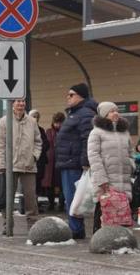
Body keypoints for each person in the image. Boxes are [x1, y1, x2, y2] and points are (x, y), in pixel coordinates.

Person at [55, 83, 97, 239]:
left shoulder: (84, 114)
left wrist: (85, 162)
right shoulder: (76, 113)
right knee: (72, 198)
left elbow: (88, 138)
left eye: (71, 94)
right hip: (69, 161)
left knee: (75, 198)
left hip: (75, 163)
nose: (68, 97)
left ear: (81, 96)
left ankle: (76, 229)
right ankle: (76, 228)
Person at [0, 99, 42, 233]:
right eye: (18, 101)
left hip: (29, 166)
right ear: (12, 104)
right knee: (8, 198)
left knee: (31, 198)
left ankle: (32, 227)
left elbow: (38, 141)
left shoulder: (32, 121)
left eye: (23, 101)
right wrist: (1, 165)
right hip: (10, 166)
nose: (21, 104)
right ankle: (7, 225)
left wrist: (34, 156)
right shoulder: (4, 121)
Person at [88, 101, 135, 233]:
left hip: (123, 178)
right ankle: (99, 238)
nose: (116, 113)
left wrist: (131, 165)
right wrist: (101, 179)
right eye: (112, 111)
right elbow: (93, 157)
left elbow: (130, 152)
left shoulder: (124, 132)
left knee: (122, 209)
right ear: (104, 115)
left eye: (116, 110)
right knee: (103, 207)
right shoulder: (96, 133)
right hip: (106, 179)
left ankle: (121, 237)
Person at [42, 112, 65, 211]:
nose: (58, 125)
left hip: (61, 160)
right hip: (50, 162)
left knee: (62, 184)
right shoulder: (49, 131)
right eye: (56, 122)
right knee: (49, 184)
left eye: (60, 123)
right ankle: (51, 203)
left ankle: (61, 204)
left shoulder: (65, 131)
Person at [29, 109, 49, 202]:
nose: (36, 118)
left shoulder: (41, 130)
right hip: (30, 160)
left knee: (38, 183)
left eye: (37, 117)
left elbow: (46, 144)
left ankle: (35, 202)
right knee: (30, 183)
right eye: (34, 116)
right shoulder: (27, 129)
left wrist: (39, 148)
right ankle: (29, 203)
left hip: (40, 160)